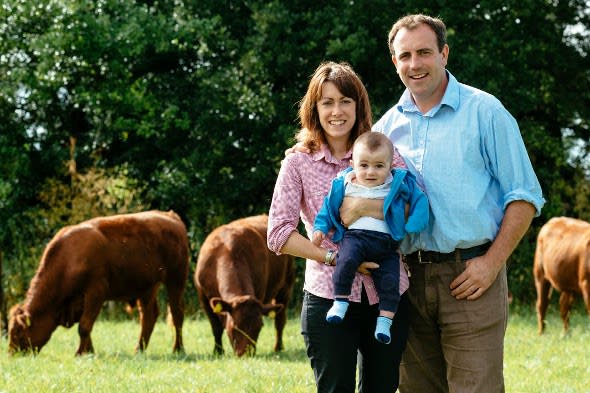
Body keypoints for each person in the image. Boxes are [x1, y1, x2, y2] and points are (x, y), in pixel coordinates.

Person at [339, 14, 545, 393]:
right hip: (404, 283)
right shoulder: (383, 131)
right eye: (405, 55)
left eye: (424, 52)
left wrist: (491, 263)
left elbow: (525, 196)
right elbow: (354, 201)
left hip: (470, 278)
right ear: (394, 62)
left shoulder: (486, 113)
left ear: (444, 53)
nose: (414, 64)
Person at [267, 61, 411, 393]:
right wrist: (333, 258)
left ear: (358, 105)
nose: (337, 111)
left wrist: (361, 206)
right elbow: (278, 234)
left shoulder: (383, 151)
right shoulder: (298, 163)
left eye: (346, 101)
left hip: (387, 296)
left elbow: (413, 207)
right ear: (314, 108)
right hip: (327, 295)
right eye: (327, 102)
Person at [311, 132, 429, 345]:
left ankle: (384, 321)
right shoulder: (344, 183)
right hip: (355, 238)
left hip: (387, 244)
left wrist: (413, 224)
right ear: (353, 163)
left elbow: (421, 202)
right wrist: (320, 228)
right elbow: (327, 209)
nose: (371, 172)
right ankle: (341, 301)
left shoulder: (400, 181)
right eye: (363, 165)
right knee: (345, 262)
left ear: (390, 165)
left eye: (378, 166)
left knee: (390, 282)